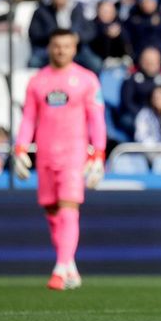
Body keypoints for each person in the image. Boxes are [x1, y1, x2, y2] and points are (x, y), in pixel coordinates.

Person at [13, 28, 106, 291]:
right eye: (57, 45)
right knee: (52, 211)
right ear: (49, 47)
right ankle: (70, 266)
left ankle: (60, 268)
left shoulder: (87, 80)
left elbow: (96, 119)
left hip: (73, 154)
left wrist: (98, 152)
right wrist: (20, 148)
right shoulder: (37, 82)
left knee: (68, 206)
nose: (61, 50)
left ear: (74, 49)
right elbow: (29, 117)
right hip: (45, 154)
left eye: (66, 46)